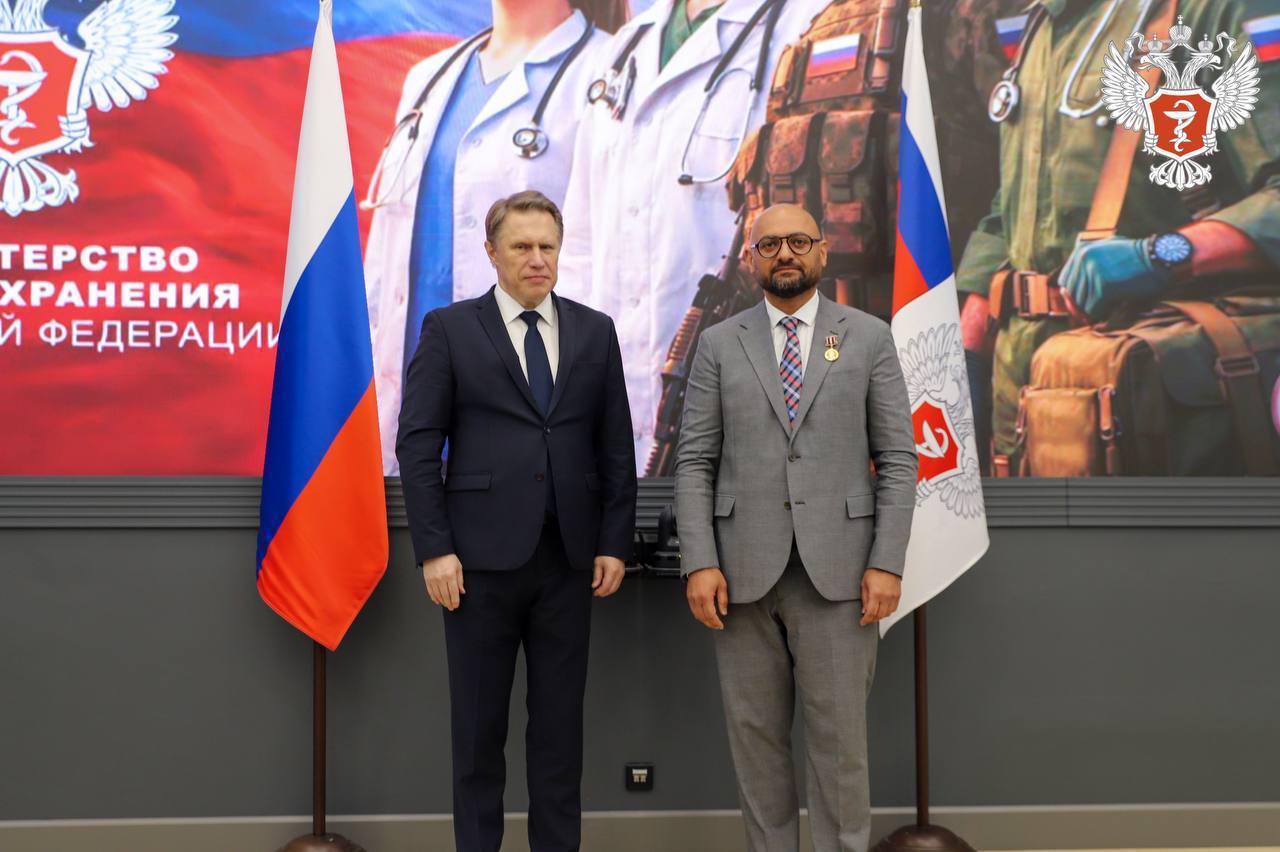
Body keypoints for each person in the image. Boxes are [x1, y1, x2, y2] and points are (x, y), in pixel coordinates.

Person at [396, 191, 637, 852]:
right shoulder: (450, 328)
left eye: (547, 246)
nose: (537, 259)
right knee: (478, 735)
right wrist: (434, 549)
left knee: (560, 735)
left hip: (569, 561)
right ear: (492, 253)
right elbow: (418, 444)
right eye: (522, 246)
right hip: (475, 565)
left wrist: (614, 541)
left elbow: (616, 445)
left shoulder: (595, 331)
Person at [674, 203, 917, 852]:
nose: (785, 253)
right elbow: (694, 462)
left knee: (840, 752)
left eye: (799, 242)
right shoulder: (719, 344)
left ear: (822, 251)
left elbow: (898, 460)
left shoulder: (868, 337)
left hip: (840, 575)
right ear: (751, 257)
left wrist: (886, 562)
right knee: (756, 748)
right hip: (739, 576)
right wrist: (700, 561)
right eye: (770, 243)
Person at [956, 0, 1280, 475]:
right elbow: (1016, 204)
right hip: (1027, 404)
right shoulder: (1038, 25)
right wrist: (965, 358)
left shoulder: (1212, 10)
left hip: (1151, 403)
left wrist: (1161, 256)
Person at [556, 0, 832, 467]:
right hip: (609, 419)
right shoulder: (626, 47)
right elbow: (581, 248)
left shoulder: (810, 22)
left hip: (750, 410)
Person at [364, 0, 626, 473]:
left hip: (531, 402)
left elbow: (599, 262)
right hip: (407, 405)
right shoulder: (429, 78)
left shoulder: (608, 72)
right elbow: (386, 266)